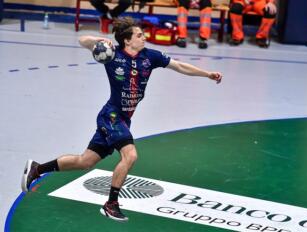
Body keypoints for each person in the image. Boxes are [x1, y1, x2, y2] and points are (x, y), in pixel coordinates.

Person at [21, 17, 222, 222]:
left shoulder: (150, 57)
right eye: (139, 35)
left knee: (85, 161)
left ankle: (37, 169)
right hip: (111, 116)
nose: (144, 38)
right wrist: (99, 40)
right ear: (127, 40)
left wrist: (207, 74)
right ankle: (111, 204)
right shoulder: (112, 54)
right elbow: (83, 41)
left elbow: (179, 66)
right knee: (130, 155)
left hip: (124, 119)